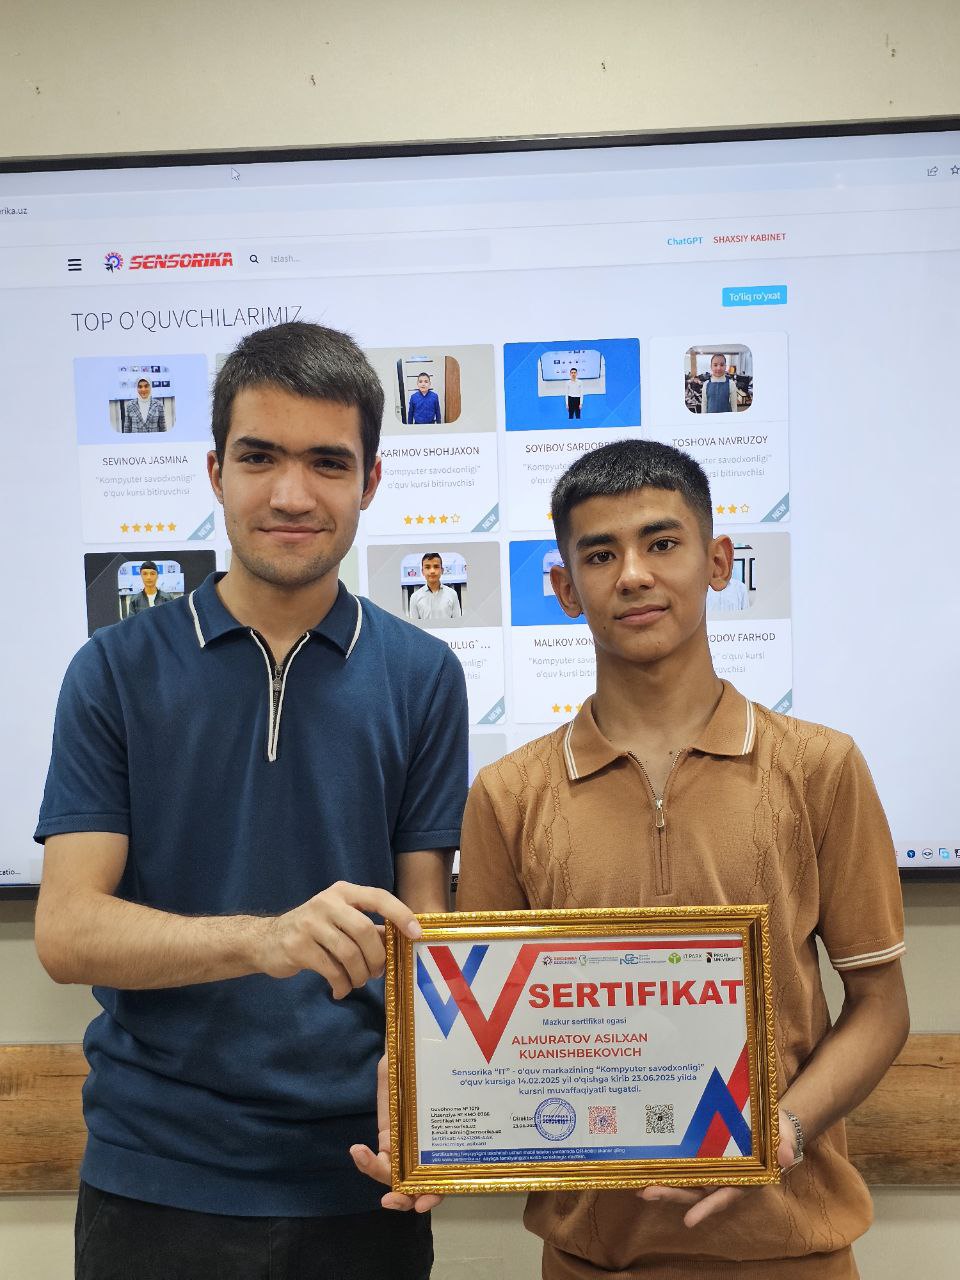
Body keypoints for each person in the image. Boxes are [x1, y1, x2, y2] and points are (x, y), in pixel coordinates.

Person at [357, 439, 909, 1277]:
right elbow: (477, 1027)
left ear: (717, 562)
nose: (635, 575)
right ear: (564, 589)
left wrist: (782, 1134)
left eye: (662, 543)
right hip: (591, 1259)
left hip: (792, 1249)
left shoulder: (820, 767)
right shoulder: (508, 794)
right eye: (600, 555)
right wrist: (430, 1114)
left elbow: (880, 1005)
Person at [35, 321, 469, 1280]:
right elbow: (65, 932)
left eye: (328, 462)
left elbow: (423, 925)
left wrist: (431, 1097)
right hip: (156, 1178)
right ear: (215, 471)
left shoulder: (424, 674)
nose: (291, 495)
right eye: (260, 457)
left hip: (359, 1176)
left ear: (371, 481)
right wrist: (265, 939)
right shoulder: (114, 670)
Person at [409, 552, 463, 624]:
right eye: (427, 567)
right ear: (422, 571)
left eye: (436, 566)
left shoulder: (452, 594)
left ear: (442, 570)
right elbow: (414, 626)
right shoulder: (415, 597)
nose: (432, 571)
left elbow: (458, 623)